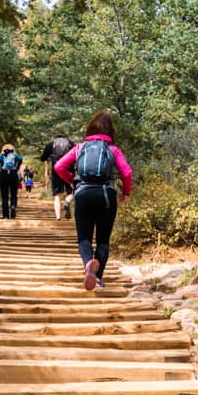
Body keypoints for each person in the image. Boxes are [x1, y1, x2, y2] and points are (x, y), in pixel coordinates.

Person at [54, 112, 132, 291]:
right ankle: (97, 278)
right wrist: (125, 193)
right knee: (103, 240)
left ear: (90, 129)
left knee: (84, 238)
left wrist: (73, 181)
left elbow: (59, 166)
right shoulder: (113, 150)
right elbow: (127, 173)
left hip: (83, 194)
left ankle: (89, 262)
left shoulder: (80, 148)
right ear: (110, 130)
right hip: (106, 195)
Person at [40, 135, 74, 220]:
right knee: (73, 191)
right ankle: (67, 201)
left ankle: (58, 217)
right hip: (69, 170)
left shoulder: (51, 144)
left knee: (57, 195)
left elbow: (42, 158)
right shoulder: (71, 143)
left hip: (56, 170)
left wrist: (49, 156)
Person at [0, 143, 23, 219]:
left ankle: (5, 216)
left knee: (4, 196)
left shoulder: (2, 155)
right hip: (13, 174)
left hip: (4, 174)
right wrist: (17, 167)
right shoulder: (14, 154)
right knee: (14, 193)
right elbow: (20, 159)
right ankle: (13, 205)